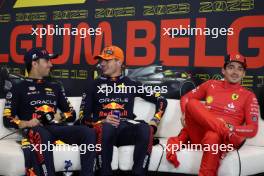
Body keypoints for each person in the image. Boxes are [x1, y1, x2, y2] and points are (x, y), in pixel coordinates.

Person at [75, 45, 168, 176]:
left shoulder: (131, 84)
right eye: (101, 60)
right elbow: (82, 119)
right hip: (103, 130)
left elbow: (162, 100)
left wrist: (155, 120)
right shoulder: (92, 85)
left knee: (145, 128)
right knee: (106, 128)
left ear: (119, 62)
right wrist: (102, 121)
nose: (102, 63)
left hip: (125, 130)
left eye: (107, 60)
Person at [3, 47, 96, 176]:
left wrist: (61, 116)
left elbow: (72, 114)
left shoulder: (55, 86)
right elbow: (7, 119)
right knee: (42, 135)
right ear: (34, 63)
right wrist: (27, 123)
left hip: (56, 127)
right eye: (46, 61)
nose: (51, 65)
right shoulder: (17, 88)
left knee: (88, 131)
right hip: (35, 130)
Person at [166, 54, 259, 176]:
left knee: (213, 135)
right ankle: (224, 130)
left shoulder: (249, 96)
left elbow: (252, 129)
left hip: (223, 141)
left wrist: (233, 128)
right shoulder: (211, 84)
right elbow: (186, 98)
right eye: (231, 67)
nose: (235, 72)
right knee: (192, 104)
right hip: (201, 135)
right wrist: (185, 113)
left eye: (240, 69)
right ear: (223, 70)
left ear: (244, 74)